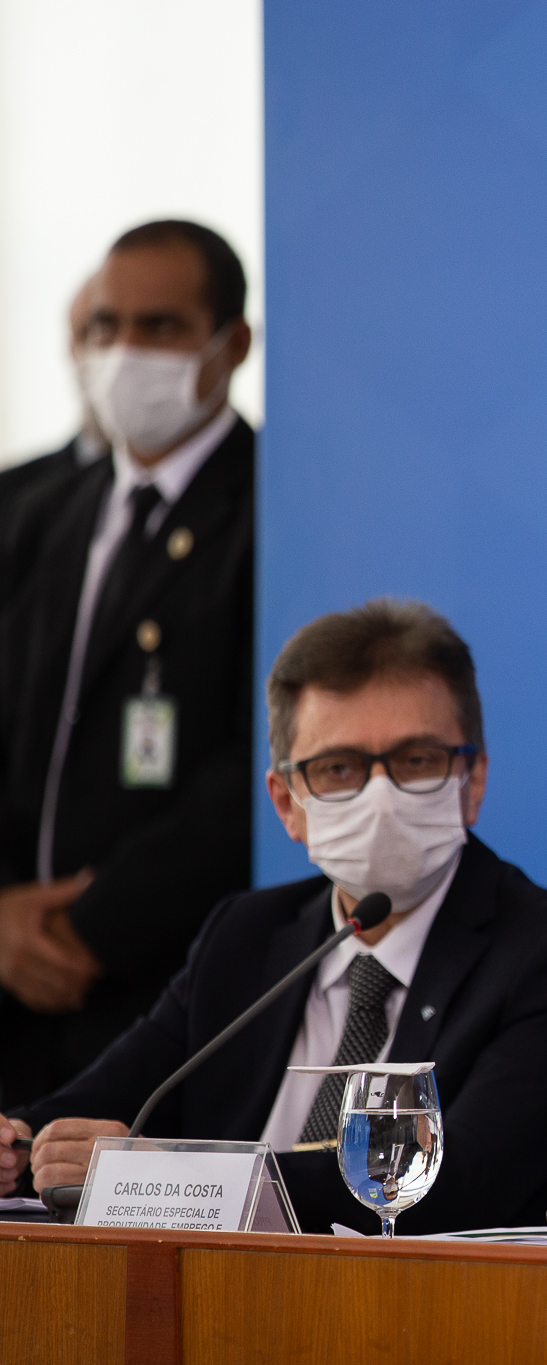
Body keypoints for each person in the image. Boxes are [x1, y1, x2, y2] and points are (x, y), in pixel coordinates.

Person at [2, 600, 547, 1234]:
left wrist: (174, 1176)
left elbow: (457, 1185)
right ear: (287, 804)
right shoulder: (246, 936)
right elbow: (103, 1101)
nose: (381, 797)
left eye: (417, 760)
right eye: (339, 768)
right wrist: (16, 1142)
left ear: (471, 780)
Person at [0, 222, 258, 1110]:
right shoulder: (37, 514)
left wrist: (91, 927)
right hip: (15, 1000)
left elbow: (255, 761)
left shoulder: (273, 507)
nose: (125, 353)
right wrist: (4, 917)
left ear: (233, 344)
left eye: (161, 327)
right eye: (107, 326)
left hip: (171, 998)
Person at [0, 273, 110, 615]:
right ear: (71, 347)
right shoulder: (13, 498)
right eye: (100, 330)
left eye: (156, 327)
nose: (122, 350)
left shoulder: (247, 486)